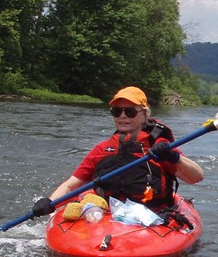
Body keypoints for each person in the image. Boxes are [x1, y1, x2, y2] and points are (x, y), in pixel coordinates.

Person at [32, 86, 204, 217]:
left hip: (151, 216)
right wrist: (50, 202)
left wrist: (173, 157)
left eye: (129, 111)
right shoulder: (101, 149)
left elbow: (196, 177)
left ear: (144, 115)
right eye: (117, 111)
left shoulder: (160, 148)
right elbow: (71, 185)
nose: (122, 116)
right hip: (105, 214)